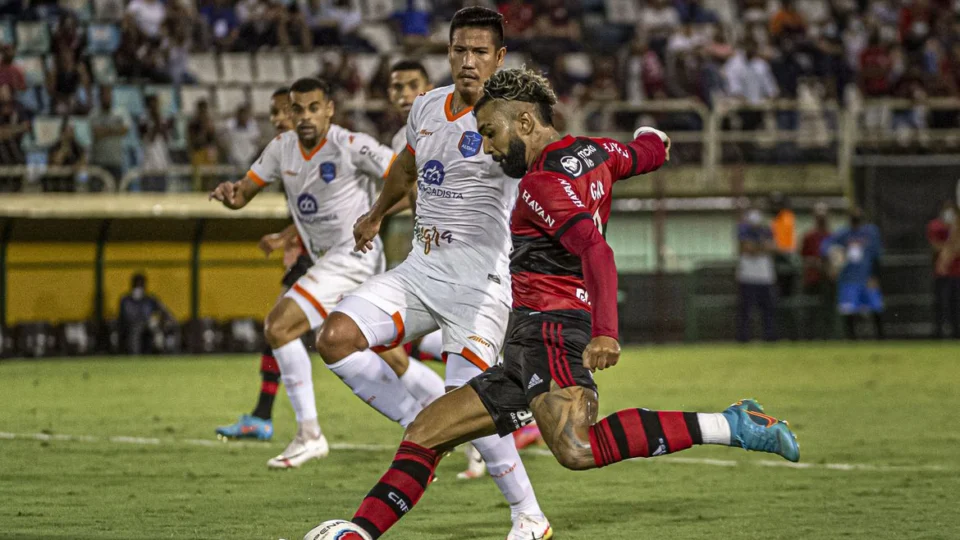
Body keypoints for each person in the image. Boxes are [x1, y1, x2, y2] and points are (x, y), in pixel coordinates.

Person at [305, 67, 799, 540]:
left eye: (491, 133)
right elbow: (643, 152)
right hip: (526, 337)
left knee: (577, 448)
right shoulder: (595, 151)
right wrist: (657, 139)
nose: (490, 148)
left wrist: (606, 330)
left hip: (555, 331)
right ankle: (359, 532)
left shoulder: (542, 183)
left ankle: (733, 425)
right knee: (427, 430)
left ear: (524, 121)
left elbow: (595, 250)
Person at [315, 9, 552, 539]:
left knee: (468, 402)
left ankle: (529, 516)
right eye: (458, 50)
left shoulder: (517, 119)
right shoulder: (425, 106)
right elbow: (406, 165)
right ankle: (423, 426)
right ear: (448, 53)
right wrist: (377, 213)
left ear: (499, 58)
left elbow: (557, 172)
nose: (468, 61)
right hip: (419, 273)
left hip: (481, 287)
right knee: (335, 337)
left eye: (479, 52)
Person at [210, 78, 445, 468]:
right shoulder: (280, 149)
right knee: (391, 357)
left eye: (313, 108)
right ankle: (436, 426)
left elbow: (404, 172)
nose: (304, 117)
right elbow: (242, 194)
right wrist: (228, 194)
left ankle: (310, 434)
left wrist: (376, 216)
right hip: (327, 263)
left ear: (329, 109)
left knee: (280, 325)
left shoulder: (350, 145)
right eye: (296, 109)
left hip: (354, 257)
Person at [821, 208, 885, 340]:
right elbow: (825, 247)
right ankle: (852, 338)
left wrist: (874, 275)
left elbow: (876, 255)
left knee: (875, 307)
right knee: (849, 309)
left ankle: (880, 337)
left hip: (866, 277)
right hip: (849, 277)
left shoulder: (870, 232)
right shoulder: (843, 234)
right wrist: (832, 264)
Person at [736, 206, 778, 342]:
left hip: (765, 276)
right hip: (747, 276)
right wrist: (761, 247)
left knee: (768, 309)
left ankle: (769, 336)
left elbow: (772, 247)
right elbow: (747, 248)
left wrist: (756, 247)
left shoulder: (767, 229)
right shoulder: (742, 229)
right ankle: (744, 337)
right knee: (746, 310)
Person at [800, 202, 835, 339]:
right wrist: (814, 263)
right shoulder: (809, 236)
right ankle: (809, 338)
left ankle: (829, 337)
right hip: (812, 277)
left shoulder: (832, 236)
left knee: (828, 309)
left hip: (828, 277)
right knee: (810, 310)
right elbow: (803, 257)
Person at [926, 200, 960, 338]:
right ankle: (938, 331)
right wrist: (949, 248)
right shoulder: (935, 226)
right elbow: (935, 245)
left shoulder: (957, 226)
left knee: (956, 304)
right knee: (940, 302)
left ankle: (956, 331)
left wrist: (947, 255)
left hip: (957, 272)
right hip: (941, 273)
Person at [118, 273, 174, 355]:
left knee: (158, 330)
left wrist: (167, 319)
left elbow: (164, 311)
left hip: (149, 323)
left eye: (141, 284)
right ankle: (134, 355)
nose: (139, 287)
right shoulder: (126, 300)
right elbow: (125, 316)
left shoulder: (150, 299)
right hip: (132, 325)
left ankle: (161, 353)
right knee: (135, 330)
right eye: (137, 284)